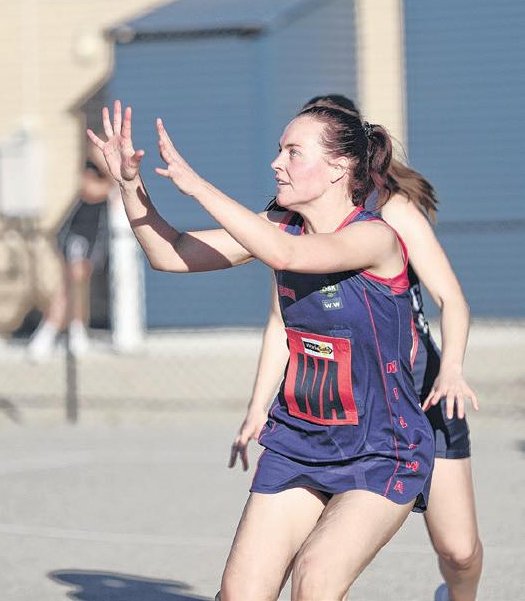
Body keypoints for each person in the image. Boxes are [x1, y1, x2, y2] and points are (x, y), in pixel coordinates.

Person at [88, 100, 436, 600]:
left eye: (294, 152)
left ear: (338, 168)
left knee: (315, 579)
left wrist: (195, 184)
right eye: (279, 150)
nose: (277, 163)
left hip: (382, 446)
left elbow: (287, 255)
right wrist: (129, 184)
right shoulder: (279, 227)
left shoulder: (374, 237)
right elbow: (169, 253)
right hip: (301, 439)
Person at [231, 94, 482, 601]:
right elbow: (282, 323)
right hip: (349, 405)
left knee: (458, 549)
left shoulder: (390, 212)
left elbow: (452, 299)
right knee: (311, 567)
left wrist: (452, 367)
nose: (285, 162)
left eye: (298, 150)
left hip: (422, 390)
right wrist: (257, 407)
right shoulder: (298, 223)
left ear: (347, 160)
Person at [26, 159, 113, 360]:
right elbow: (64, 231)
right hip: (72, 249)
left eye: (88, 178)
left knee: (73, 292)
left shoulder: (102, 201)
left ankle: (67, 333)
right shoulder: (82, 202)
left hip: (85, 251)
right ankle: (55, 334)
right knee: (67, 292)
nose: (84, 183)